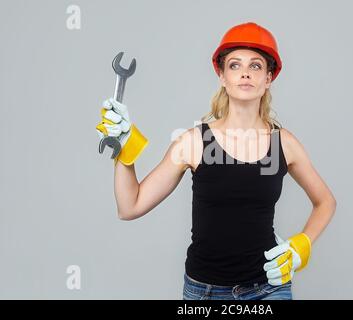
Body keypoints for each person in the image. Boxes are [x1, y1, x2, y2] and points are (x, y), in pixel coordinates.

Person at [95, 22, 337, 300]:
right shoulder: (194, 142)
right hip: (205, 292)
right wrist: (126, 149)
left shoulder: (284, 143)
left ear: (269, 78)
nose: (245, 73)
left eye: (256, 66)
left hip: (268, 289)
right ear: (222, 75)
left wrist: (301, 246)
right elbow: (130, 206)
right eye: (235, 65)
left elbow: (326, 202)